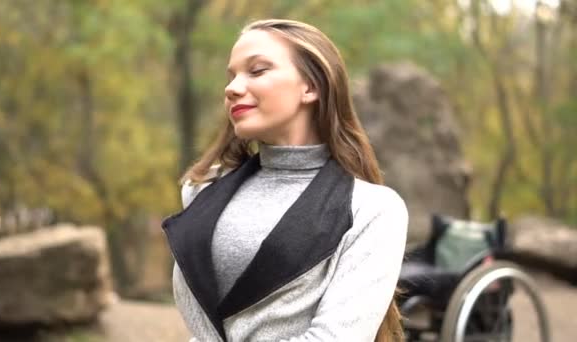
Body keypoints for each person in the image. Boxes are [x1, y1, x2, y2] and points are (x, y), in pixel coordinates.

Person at [162, 19, 408, 342]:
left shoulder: (371, 210)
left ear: (311, 87)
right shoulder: (202, 193)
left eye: (257, 70)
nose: (232, 88)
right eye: (231, 75)